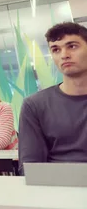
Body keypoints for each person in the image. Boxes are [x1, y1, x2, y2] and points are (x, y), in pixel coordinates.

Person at [19, 22, 87, 172]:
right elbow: (30, 167)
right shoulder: (34, 105)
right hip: (57, 186)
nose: (64, 55)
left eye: (72, 46)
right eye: (56, 49)